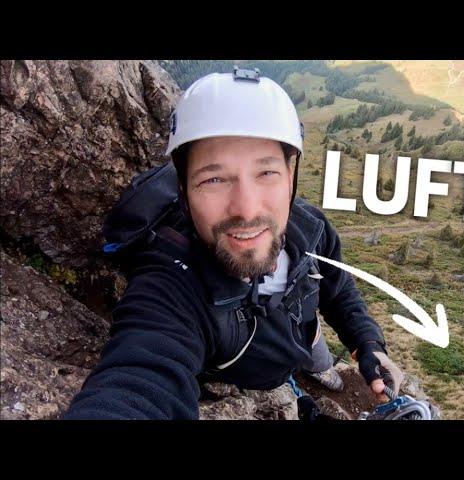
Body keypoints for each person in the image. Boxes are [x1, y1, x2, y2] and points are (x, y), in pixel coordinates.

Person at [64, 67, 403, 420]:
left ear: (291, 177)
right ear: (183, 190)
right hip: (248, 374)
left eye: (266, 172)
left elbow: (337, 288)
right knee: (284, 376)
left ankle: (313, 370)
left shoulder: (312, 228)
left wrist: (367, 344)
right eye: (214, 178)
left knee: (315, 359)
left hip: (305, 335)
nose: (246, 209)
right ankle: (291, 383)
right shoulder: (171, 286)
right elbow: (138, 383)